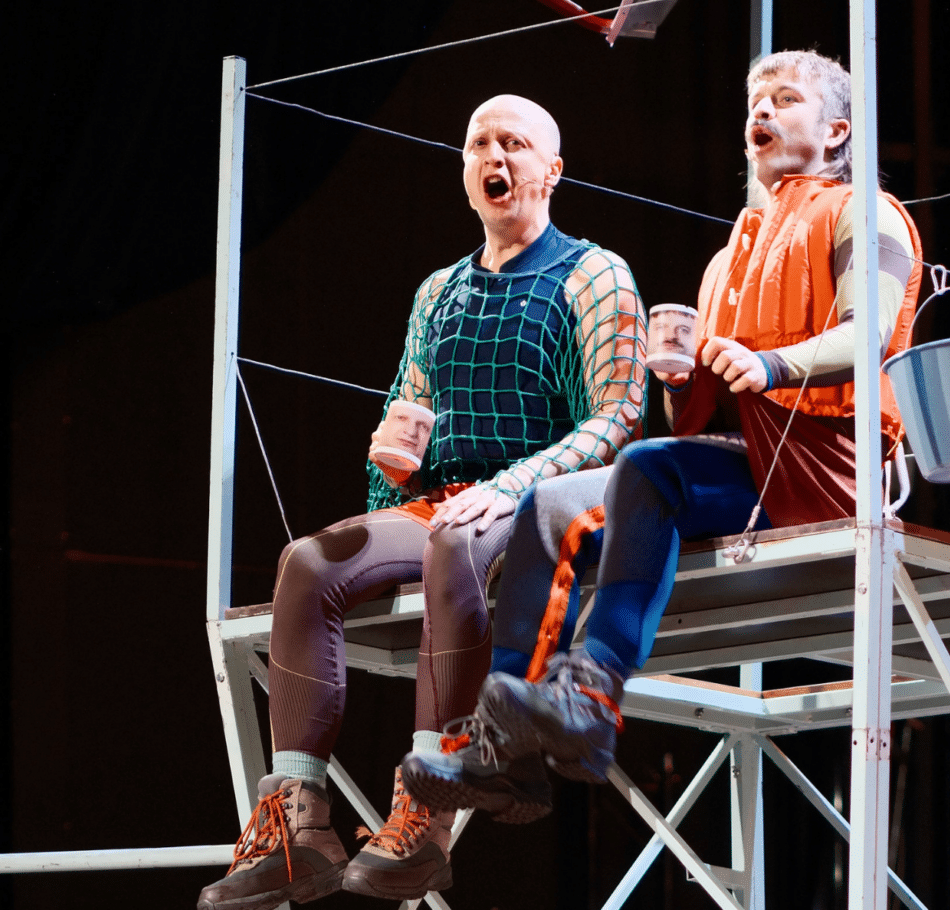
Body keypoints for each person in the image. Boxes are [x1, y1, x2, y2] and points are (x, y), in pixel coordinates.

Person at [401, 50, 924, 814]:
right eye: (756, 99)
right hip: (753, 463)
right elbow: (693, 423)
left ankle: (593, 694)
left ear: (837, 129)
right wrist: (681, 384)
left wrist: (770, 365)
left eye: (785, 98)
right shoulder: (731, 257)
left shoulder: (864, 211)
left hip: (831, 468)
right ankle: (502, 740)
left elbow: (869, 331)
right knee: (546, 506)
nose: (762, 110)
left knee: (649, 469)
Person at [197, 94, 646, 910]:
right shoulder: (438, 292)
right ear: (465, 172)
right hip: (447, 501)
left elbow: (617, 419)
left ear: (552, 170)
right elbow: (408, 419)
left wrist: (509, 486)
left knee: (454, 541)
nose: (495, 157)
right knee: (307, 563)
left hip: (540, 505)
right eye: (480, 144)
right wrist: (393, 472)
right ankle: (299, 826)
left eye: (515, 144)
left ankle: (425, 812)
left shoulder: (593, 273)